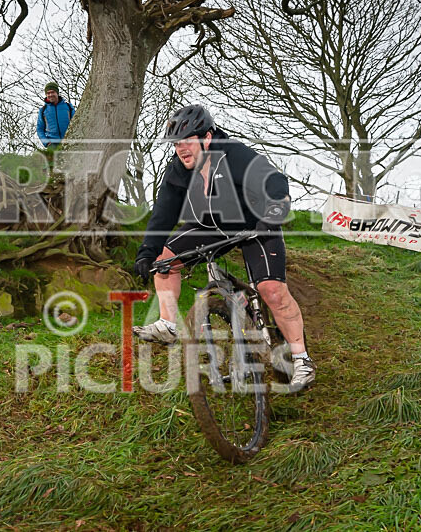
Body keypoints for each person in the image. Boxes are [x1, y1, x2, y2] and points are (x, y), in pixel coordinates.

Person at [131, 105, 315, 391]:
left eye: (187, 141)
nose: (181, 149)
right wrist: (146, 252)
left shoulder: (233, 153)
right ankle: (167, 325)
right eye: (176, 144)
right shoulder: (177, 170)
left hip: (255, 223)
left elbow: (274, 182)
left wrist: (273, 213)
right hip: (209, 226)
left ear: (206, 137)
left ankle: (302, 358)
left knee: (271, 291)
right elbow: (163, 214)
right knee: (163, 261)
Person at [36, 81, 75, 148]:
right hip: (52, 144)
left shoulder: (68, 107)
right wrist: (46, 142)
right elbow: (39, 129)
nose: (50, 95)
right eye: (48, 93)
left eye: (52, 92)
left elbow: (75, 123)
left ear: (57, 93)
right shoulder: (43, 110)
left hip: (69, 142)